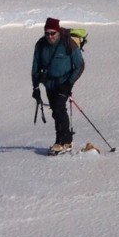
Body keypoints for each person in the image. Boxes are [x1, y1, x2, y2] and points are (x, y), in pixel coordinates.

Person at [32, 16, 84, 154]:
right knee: (56, 111)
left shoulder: (68, 43)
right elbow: (35, 67)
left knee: (59, 109)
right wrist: (36, 87)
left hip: (64, 82)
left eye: (52, 33)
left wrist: (69, 83)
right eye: (47, 33)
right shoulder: (40, 45)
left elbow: (80, 65)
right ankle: (64, 141)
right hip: (49, 84)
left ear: (58, 32)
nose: (50, 36)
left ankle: (62, 141)